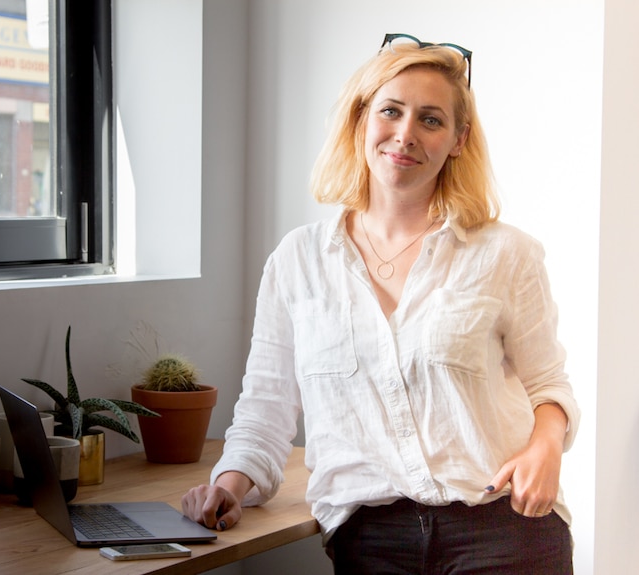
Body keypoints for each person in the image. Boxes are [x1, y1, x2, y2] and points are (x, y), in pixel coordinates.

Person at [181, 33, 579, 574]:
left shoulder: (506, 254)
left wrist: (545, 450)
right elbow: (265, 410)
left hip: (502, 530)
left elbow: (549, 387)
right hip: (370, 542)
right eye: (390, 111)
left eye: (431, 120)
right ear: (361, 119)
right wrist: (229, 484)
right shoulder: (298, 261)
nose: (405, 134)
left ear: (458, 140)